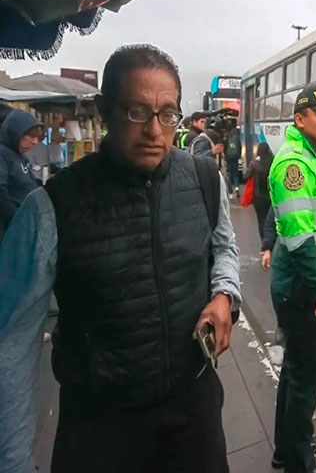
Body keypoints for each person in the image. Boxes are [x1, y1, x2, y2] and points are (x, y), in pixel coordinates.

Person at [0, 44, 242, 473]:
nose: (154, 130)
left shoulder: (205, 179)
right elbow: (14, 343)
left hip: (194, 413)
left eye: (167, 114)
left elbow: (224, 246)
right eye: (137, 112)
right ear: (105, 111)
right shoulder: (52, 207)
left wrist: (224, 294)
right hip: (100, 428)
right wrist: (14, 459)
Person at [268, 83, 316, 473]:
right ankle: (299, 461)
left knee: (295, 373)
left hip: (300, 287)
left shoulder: (309, 156)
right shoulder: (293, 165)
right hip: (301, 290)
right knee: (305, 381)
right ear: (300, 119)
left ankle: (286, 448)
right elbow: (300, 242)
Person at [0, 110, 43, 242]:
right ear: (16, 133)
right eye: (30, 136)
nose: (35, 142)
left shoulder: (20, 156)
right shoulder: (2, 154)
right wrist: (17, 219)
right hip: (10, 230)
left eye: (37, 137)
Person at [244, 141, 274, 244]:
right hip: (271, 196)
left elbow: (245, 177)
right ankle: (272, 243)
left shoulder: (255, 164)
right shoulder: (273, 162)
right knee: (272, 221)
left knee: (261, 221)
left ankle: (264, 244)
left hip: (258, 197)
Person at [224, 129, 242, 199]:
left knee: (229, 174)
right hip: (235, 157)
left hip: (228, 157)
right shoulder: (237, 138)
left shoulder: (227, 138)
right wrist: (239, 156)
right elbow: (240, 148)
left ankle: (230, 193)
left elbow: (225, 148)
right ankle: (236, 187)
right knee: (235, 174)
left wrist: (225, 157)